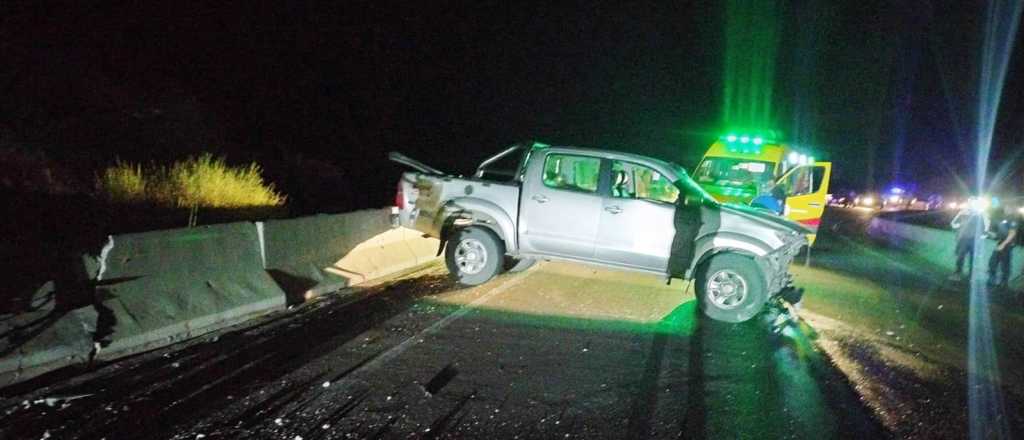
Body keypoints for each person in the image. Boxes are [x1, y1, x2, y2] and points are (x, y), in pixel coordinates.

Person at [949, 198, 990, 280]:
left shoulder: (981, 213)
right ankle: (957, 274)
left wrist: (984, 234)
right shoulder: (963, 212)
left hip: (975, 240)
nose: (971, 204)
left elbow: (987, 224)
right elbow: (953, 223)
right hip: (963, 239)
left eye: (973, 203)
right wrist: (959, 225)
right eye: (970, 202)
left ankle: (971, 276)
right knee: (960, 257)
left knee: (973, 259)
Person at [987, 204, 1019, 288]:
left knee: (1005, 264)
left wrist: (1003, 244)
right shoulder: (1003, 218)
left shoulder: (1013, 219)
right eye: (1006, 207)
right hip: (1001, 243)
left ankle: (1004, 283)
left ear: (1012, 209)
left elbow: (1012, 233)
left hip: (1007, 245)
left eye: (1008, 207)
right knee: (993, 262)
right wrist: (992, 235)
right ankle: (992, 280)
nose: (1006, 208)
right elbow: (1000, 233)